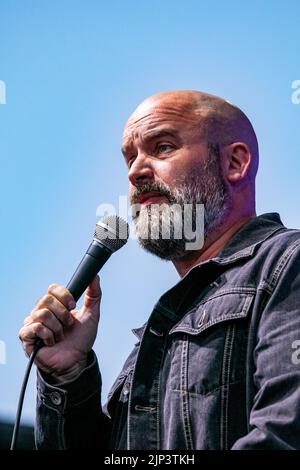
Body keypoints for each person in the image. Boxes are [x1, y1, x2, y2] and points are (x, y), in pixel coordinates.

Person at [19, 90, 300, 450]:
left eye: (163, 147)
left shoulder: (287, 264)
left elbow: (284, 436)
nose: (136, 171)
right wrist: (68, 376)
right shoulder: (153, 339)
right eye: (130, 158)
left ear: (235, 163)